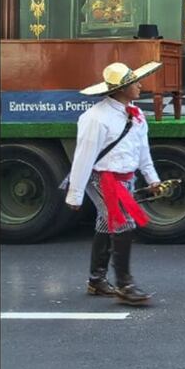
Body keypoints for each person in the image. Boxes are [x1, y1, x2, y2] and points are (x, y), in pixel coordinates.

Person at [65, 61, 163, 306]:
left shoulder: (136, 114)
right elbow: (84, 157)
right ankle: (125, 284)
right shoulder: (95, 118)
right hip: (102, 179)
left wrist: (153, 179)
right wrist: (75, 194)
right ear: (121, 89)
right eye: (134, 83)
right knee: (123, 224)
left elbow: (143, 152)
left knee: (105, 223)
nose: (140, 86)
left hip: (126, 179)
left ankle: (96, 280)